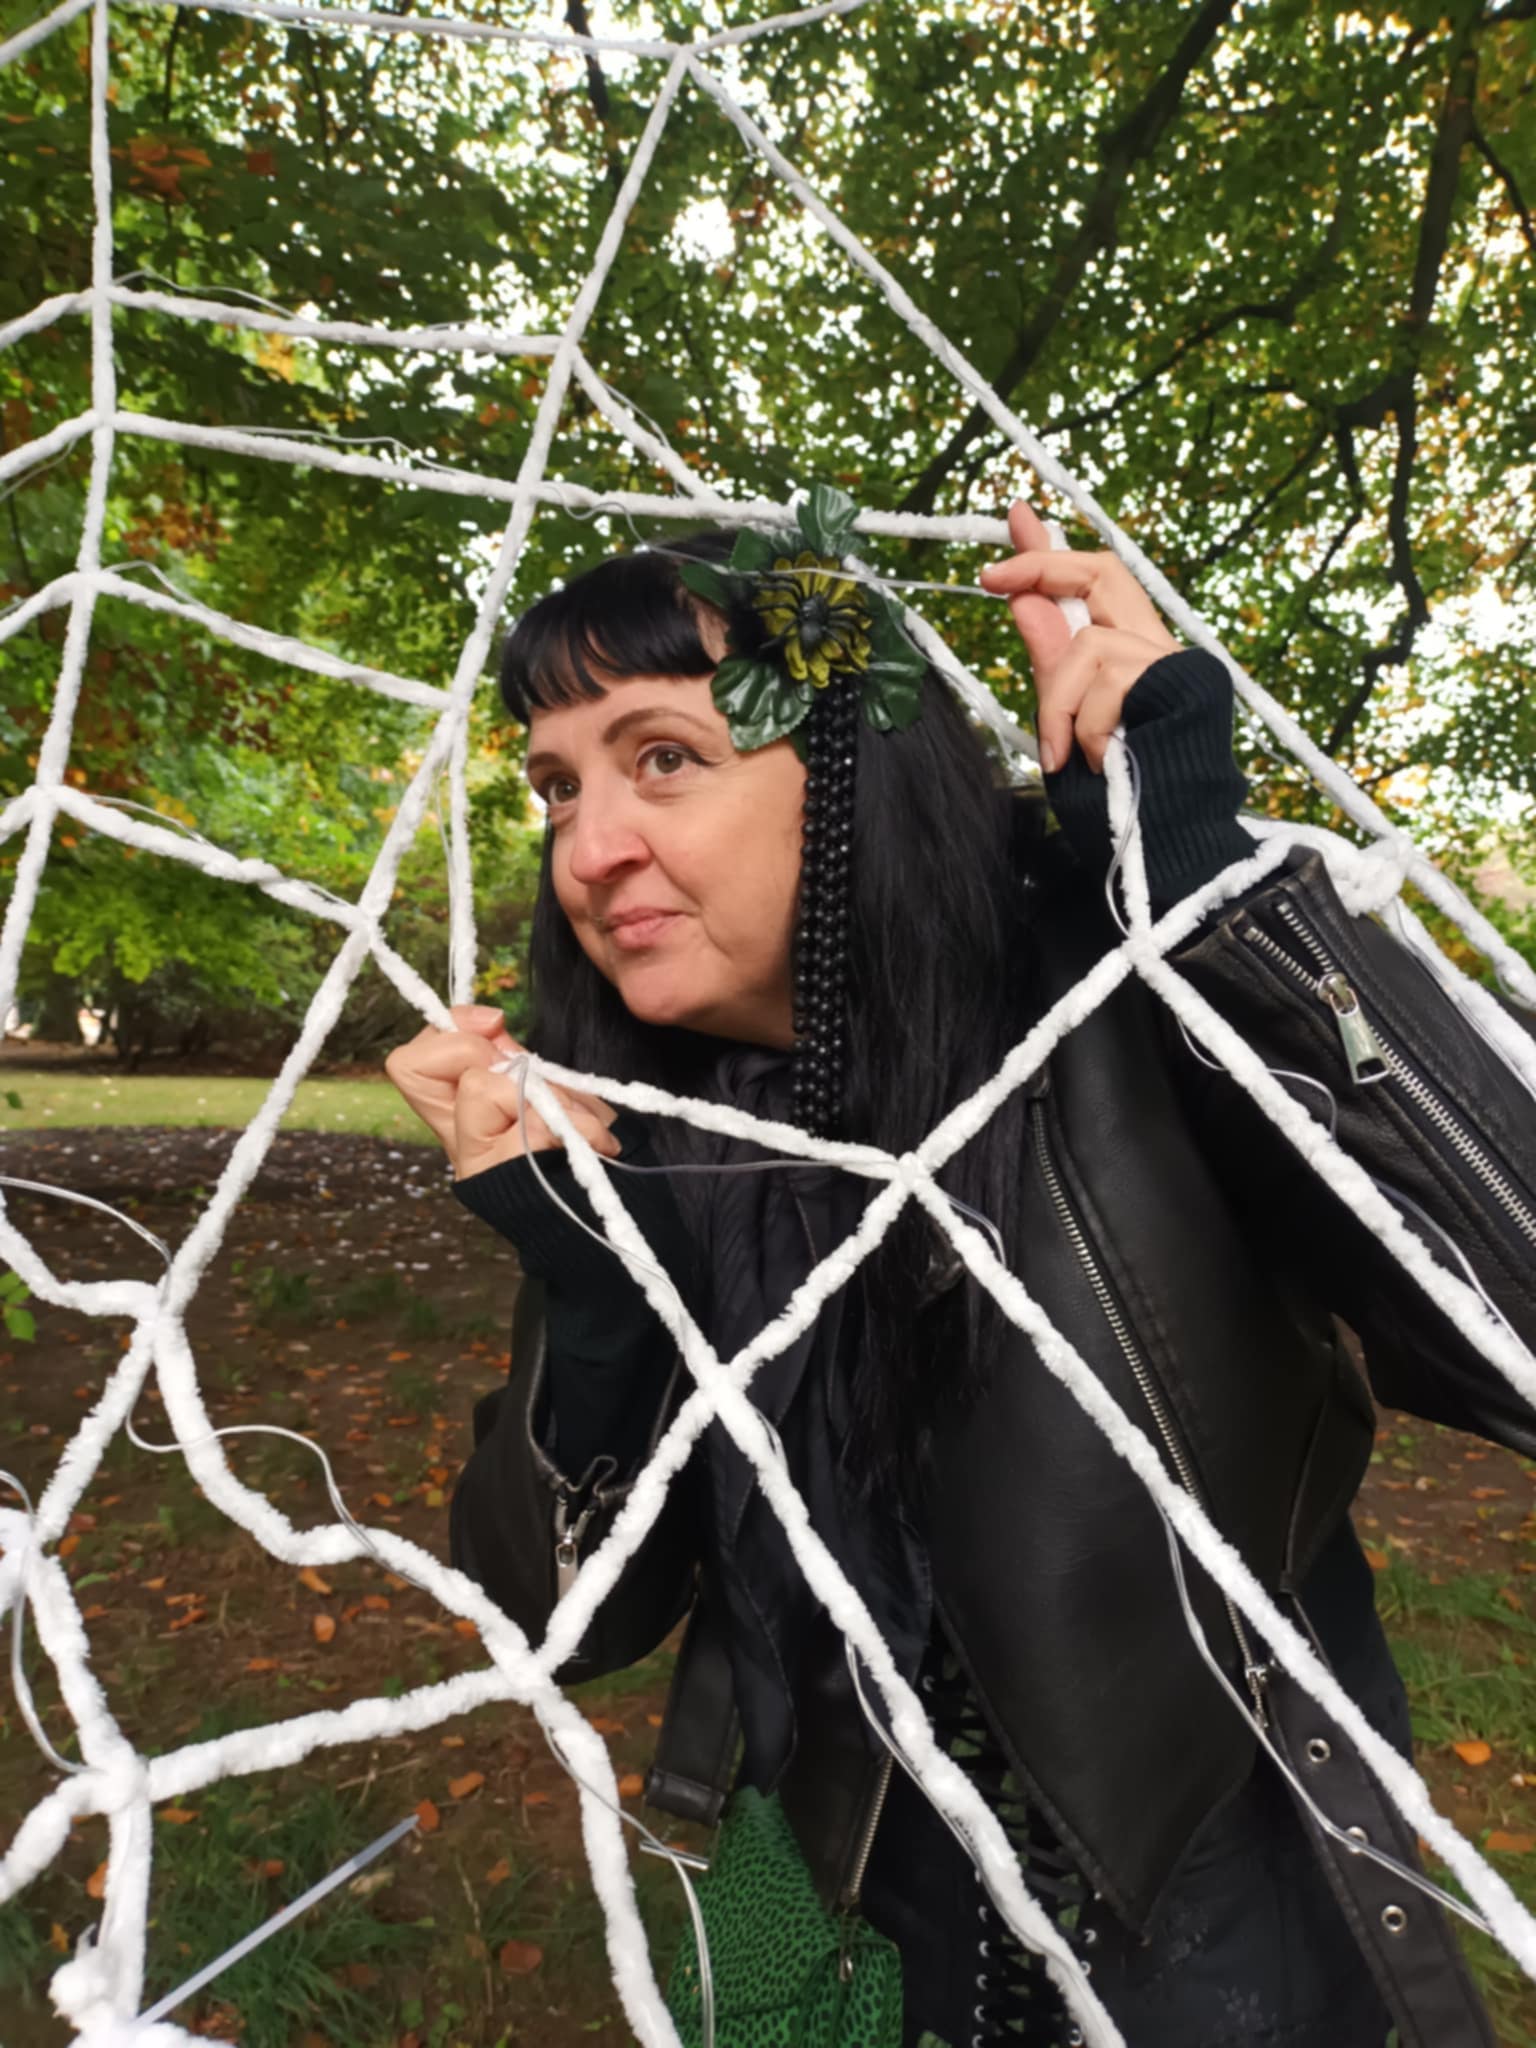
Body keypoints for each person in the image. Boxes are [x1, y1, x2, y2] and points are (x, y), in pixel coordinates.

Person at [384, 494, 1536, 2048]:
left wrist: (1207, 904)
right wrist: (591, 1276)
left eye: (666, 757)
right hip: (836, 1933)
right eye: (554, 784)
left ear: (852, 770)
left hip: (1204, 1935)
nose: (592, 849)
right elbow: (566, 1622)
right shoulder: (657, 1129)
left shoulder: (1105, 1007)